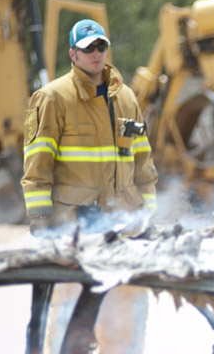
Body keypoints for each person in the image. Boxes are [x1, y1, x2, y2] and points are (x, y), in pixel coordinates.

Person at [21, 19, 157, 233]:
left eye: (101, 46)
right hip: (74, 223)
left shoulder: (127, 97)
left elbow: (144, 164)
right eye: (88, 48)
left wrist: (148, 213)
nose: (96, 53)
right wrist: (40, 218)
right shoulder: (52, 98)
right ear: (73, 54)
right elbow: (38, 167)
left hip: (125, 221)